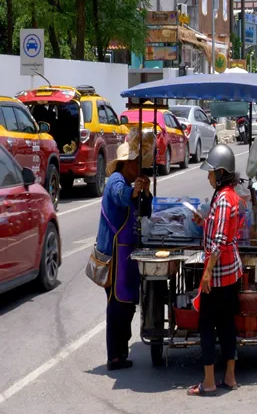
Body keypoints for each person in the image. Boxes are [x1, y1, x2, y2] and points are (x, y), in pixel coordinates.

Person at [188, 145, 243, 396]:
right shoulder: (230, 196)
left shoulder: (222, 200)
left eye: (211, 172)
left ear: (221, 172)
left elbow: (219, 243)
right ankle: (229, 378)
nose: (208, 176)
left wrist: (207, 274)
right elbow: (221, 230)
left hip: (219, 274)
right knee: (227, 325)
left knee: (207, 325)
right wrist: (205, 222)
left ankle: (209, 382)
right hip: (232, 273)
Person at [96, 139, 152, 371]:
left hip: (127, 252)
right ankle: (115, 356)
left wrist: (145, 191)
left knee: (128, 302)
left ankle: (121, 351)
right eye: (136, 162)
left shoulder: (131, 183)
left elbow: (146, 210)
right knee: (117, 304)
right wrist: (135, 190)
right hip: (115, 254)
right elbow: (121, 196)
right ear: (126, 163)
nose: (138, 166)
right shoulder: (117, 182)